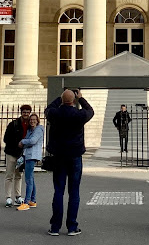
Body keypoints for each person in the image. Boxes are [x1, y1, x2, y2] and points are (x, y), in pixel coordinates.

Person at [45, 89, 94, 236]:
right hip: (75, 155)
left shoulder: (55, 114)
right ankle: (72, 226)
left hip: (59, 156)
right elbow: (90, 111)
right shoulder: (78, 115)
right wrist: (81, 98)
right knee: (74, 192)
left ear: (62, 100)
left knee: (58, 191)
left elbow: (48, 109)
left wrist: (59, 99)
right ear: (73, 100)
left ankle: (55, 227)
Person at [3, 104, 32, 207]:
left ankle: (18, 196)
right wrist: (18, 144)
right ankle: (8, 197)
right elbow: (6, 139)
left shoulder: (30, 125)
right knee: (9, 175)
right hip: (12, 153)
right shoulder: (13, 124)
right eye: (24, 112)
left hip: (23, 154)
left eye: (28, 112)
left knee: (19, 175)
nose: (26, 114)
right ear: (21, 113)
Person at [17, 113, 44, 211]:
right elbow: (28, 140)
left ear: (37, 120)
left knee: (28, 179)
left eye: (34, 119)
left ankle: (26, 202)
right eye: (31, 120)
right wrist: (24, 141)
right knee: (31, 178)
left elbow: (32, 141)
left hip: (32, 156)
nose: (32, 121)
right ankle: (33, 200)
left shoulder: (38, 129)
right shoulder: (30, 130)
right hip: (28, 155)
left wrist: (23, 142)